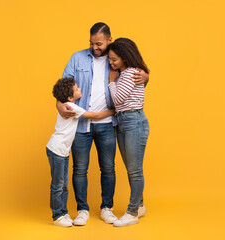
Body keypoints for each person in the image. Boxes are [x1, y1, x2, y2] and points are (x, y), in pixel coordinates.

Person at [57, 22, 149, 226]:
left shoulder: (116, 59)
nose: (94, 47)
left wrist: (147, 76)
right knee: (80, 168)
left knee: (108, 168)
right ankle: (82, 210)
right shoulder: (77, 57)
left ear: (109, 40)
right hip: (81, 124)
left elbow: (133, 75)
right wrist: (58, 102)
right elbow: (63, 84)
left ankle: (106, 208)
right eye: (91, 43)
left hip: (109, 123)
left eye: (98, 43)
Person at [47, 77, 115, 227]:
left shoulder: (70, 104)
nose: (80, 89)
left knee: (63, 184)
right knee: (58, 184)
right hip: (57, 150)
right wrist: (114, 110)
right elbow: (95, 116)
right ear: (70, 97)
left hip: (62, 151)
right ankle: (58, 216)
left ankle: (63, 213)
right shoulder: (72, 106)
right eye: (77, 89)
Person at [107, 38, 150, 227]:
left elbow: (118, 99)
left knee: (135, 170)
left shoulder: (131, 72)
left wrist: (111, 82)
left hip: (134, 122)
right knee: (131, 169)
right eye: (110, 59)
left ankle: (132, 212)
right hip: (123, 121)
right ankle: (139, 205)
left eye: (114, 59)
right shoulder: (125, 73)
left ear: (124, 57)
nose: (111, 63)